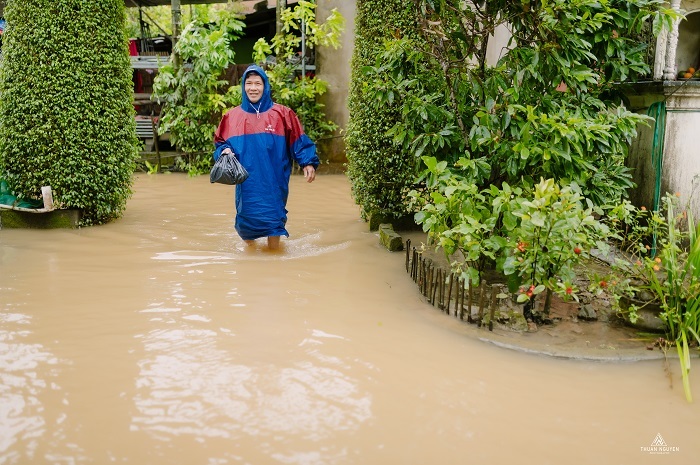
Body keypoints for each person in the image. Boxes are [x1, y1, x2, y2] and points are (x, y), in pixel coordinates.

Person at [213, 65, 319, 250]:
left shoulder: (283, 114)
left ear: (265, 86)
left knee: (274, 220)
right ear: (243, 87)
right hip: (246, 182)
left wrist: (307, 162)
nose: (253, 88)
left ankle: (274, 256)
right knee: (245, 224)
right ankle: (252, 250)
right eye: (249, 83)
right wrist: (224, 151)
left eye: (257, 83)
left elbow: (298, 140)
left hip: (274, 179)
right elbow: (220, 142)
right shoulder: (232, 117)